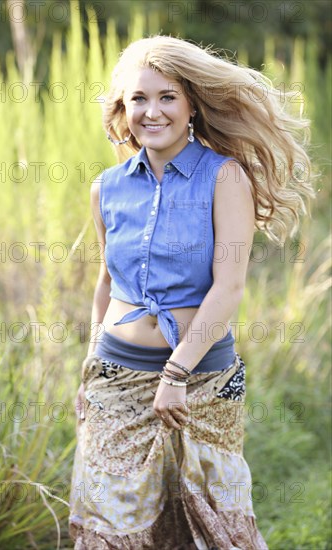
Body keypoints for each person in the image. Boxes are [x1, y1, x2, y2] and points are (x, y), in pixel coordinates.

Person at [68, 35, 315, 549]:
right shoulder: (105, 188)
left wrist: (176, 372)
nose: (151, 112)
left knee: (212, 523)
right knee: (109, 524)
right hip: (116, 375)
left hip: (201, 379)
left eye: (166, 97)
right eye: (138, 99)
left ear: (192, 107)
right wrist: (90, 367)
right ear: (122, 107)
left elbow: (228, 288)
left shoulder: (225, 179)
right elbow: (107, 282)